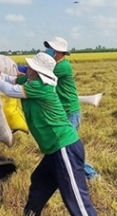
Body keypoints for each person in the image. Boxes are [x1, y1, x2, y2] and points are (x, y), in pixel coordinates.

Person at [0, 52, 97, 216]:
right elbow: (8, 79)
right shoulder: (30, 81)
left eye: (31, 67)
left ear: (37, 71)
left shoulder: (41, 86)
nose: (27, 68)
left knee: (77, 200)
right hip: (54, 150)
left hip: (64, 147)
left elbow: (9, 89)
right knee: (40, 181)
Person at [44, 37, 98, 180]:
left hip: (70, 111)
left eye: (51, 49)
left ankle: (91, 174)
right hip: (63, 111)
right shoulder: (56, 64)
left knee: (69, 148)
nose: (48, 51)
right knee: (62, 147)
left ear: (59, 52)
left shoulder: (62, 66)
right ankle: (60, 176)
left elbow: (39, 75)